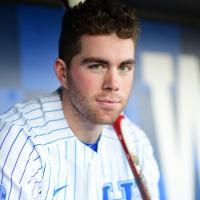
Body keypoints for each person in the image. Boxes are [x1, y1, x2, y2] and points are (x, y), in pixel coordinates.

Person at [0, 0, 160, 199]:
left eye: (124, 67)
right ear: (63, 73)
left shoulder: (136, 142)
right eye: (97, 66)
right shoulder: (19, 139)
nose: (113, 83)